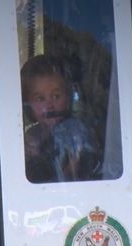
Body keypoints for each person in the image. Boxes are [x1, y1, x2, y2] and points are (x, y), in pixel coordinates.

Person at [21, 54, 99, 183]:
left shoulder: (76, 132)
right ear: (27, 105)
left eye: (56, 96)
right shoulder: (32, 135)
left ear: (68, 97)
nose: (49, 105)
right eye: (40, 99)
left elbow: (72, 175)